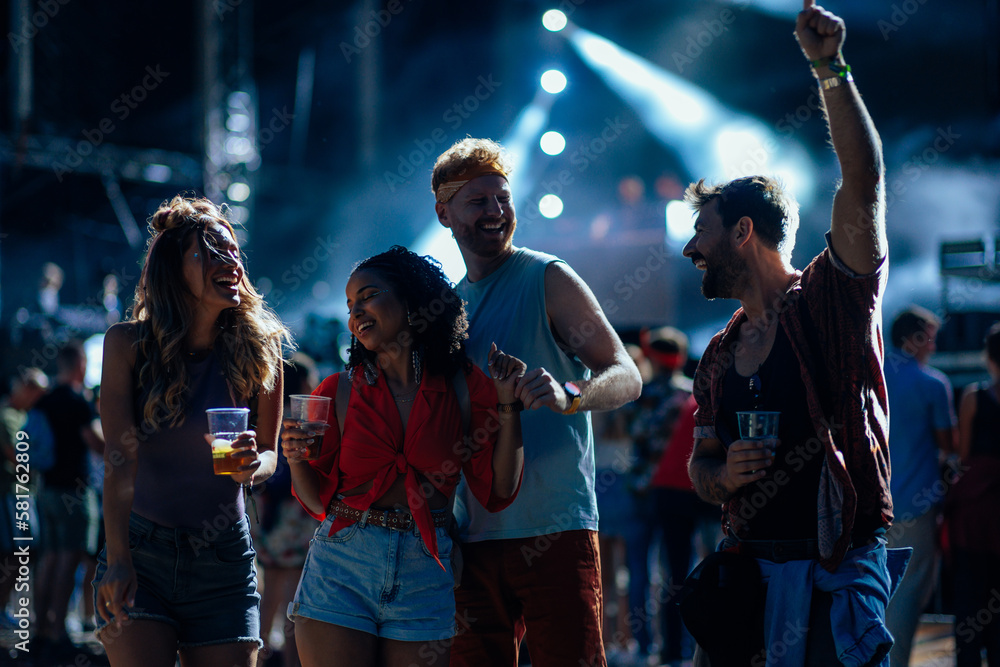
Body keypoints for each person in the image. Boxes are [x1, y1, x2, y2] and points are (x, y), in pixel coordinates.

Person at [683, 3, 908, 665]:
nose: (691, 249)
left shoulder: (831, 297)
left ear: (743, 232)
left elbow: (863, 183)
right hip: (747, 580)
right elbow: (701, 465)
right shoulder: (720, 353)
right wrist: (721, 473)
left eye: (703, 232)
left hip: (831, 573)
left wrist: (828, 68)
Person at [432, 138, 643, 667]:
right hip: (472, 536)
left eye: (502, 198)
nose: (496, 212)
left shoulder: (546, 275)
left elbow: (626, 375)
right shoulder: (447, 307)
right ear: (443, 212)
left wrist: (572, 394)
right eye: (478, 201)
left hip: (556, 527)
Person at [282, 246, 525, 667]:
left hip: (424, 566)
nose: (356, 312)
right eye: (350, 305)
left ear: (412, 302)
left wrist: (509, 405)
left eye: (368, 296)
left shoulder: (464, 388)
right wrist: (295, 457)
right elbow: (321, 503)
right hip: (342, 562)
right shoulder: (337, 392)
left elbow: (501, 487)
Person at [94, 194, 290, 667]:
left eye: (234, 252)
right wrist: (118, 558)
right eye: (213, 252)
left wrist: (251, 466)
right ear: (173, 268)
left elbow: (269, 454)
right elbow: (119, 461)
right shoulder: (127, 345)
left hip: (224, 560)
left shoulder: (262, 352)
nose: (232, 261)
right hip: (142, 551)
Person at [883, 306, 957, 667]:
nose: (933, 344)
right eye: (928, 337)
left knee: (873, 590)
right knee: (909, 591)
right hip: (917, 506)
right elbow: (949, 445)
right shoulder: (933, 384)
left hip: (871, 508)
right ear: (912, 339)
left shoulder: (872, 377)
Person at [35, 340, 104, 654]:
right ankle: (58, 630)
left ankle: (39, 627)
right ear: (80, 365)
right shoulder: (79, 401)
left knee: (48, 558)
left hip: (46, 489)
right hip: (74, 492)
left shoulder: (45, 399)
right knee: (69, 559)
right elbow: (96, 443)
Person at [253, 352, 321, 667]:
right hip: (297, 514)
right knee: (296, 600)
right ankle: (294, 662)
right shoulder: (306, 417)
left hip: (270, 513)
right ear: (303, 382)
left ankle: (260, 655)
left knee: (269, 595)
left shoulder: (273, 412)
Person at [946, 322, 1000, 666]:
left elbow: (962, 456)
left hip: (976, 509)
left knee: (968, 594)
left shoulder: (973, 397)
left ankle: (967, 658)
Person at [0, 369, 50, 626]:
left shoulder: (26, 416)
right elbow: (16, 456)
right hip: (11, 495)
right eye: (34, 391)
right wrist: (46, 460)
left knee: (23, 553)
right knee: (19, 552)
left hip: (24, 495)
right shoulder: (8, 416)